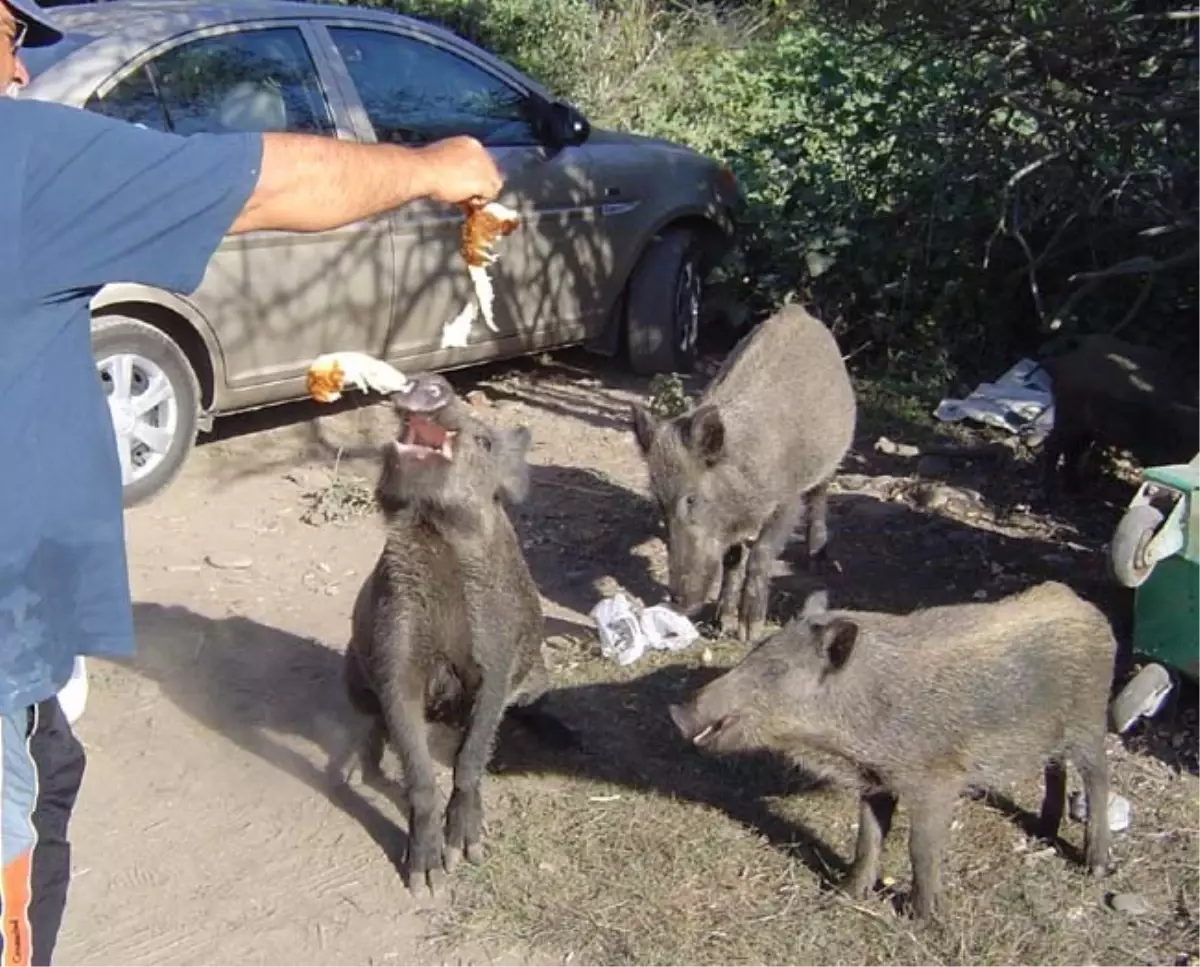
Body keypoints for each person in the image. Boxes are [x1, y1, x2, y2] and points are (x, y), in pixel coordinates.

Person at [1, 1, 505, 963]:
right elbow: (277, 180)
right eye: (11, 39)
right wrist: (439, 167)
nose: (21, 75)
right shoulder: (16, 156)